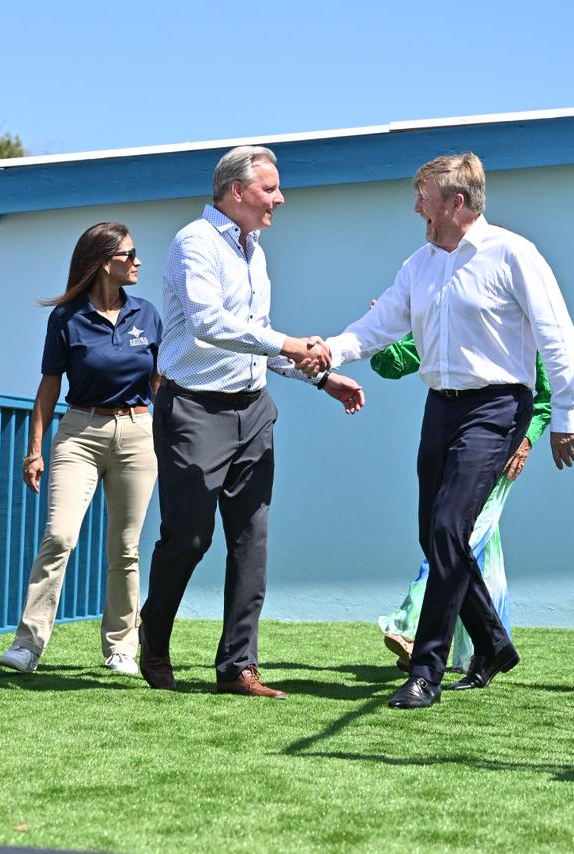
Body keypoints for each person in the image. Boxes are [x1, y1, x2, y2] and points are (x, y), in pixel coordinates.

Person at [315, 151, 574, 709]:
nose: (417, 208)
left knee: (447, 528)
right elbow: (380, 325)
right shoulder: (419, 264)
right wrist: (329, 351)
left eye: (424, 198)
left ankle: (425, 672)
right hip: (440, 407)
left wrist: (566, 415)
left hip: (497, 407)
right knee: (434, 535)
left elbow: (557, 336)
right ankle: (493, 643)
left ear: (456, 202)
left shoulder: (513, 253)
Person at [137, 145, 365, 699]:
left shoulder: (255, 251)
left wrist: (320, 378)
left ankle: (238, 667)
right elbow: (210, 323)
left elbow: (253, 340)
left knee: (251, 541)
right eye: (270, 189)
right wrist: (290, 343)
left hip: (254, 410)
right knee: (189, 538)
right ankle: (154, 636)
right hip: (194, 410)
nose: (279, 199)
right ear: (236, 191)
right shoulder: (195, 241)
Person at [0, 222, 161, 676]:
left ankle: (121, 648)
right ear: (104, 262)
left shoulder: (147, 314)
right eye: (129, 254)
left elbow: (159, 385)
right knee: (59, 536)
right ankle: (28, 644)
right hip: (79, 433)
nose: (138, 261)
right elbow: (49, 387)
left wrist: (172, 438)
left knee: (125, 548)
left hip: (138, 434)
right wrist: (34, 450)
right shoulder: (66, 318)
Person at [371, 334, 552, 672]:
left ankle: (412, 628)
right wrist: (384, 335)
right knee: (467, 544)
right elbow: (392, 364)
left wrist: (527, 440)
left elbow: (545, 392)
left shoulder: (514, 320)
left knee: (451, 535)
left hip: (499, 443)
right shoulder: (440, 317)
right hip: (450, 438)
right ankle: (486, 647)